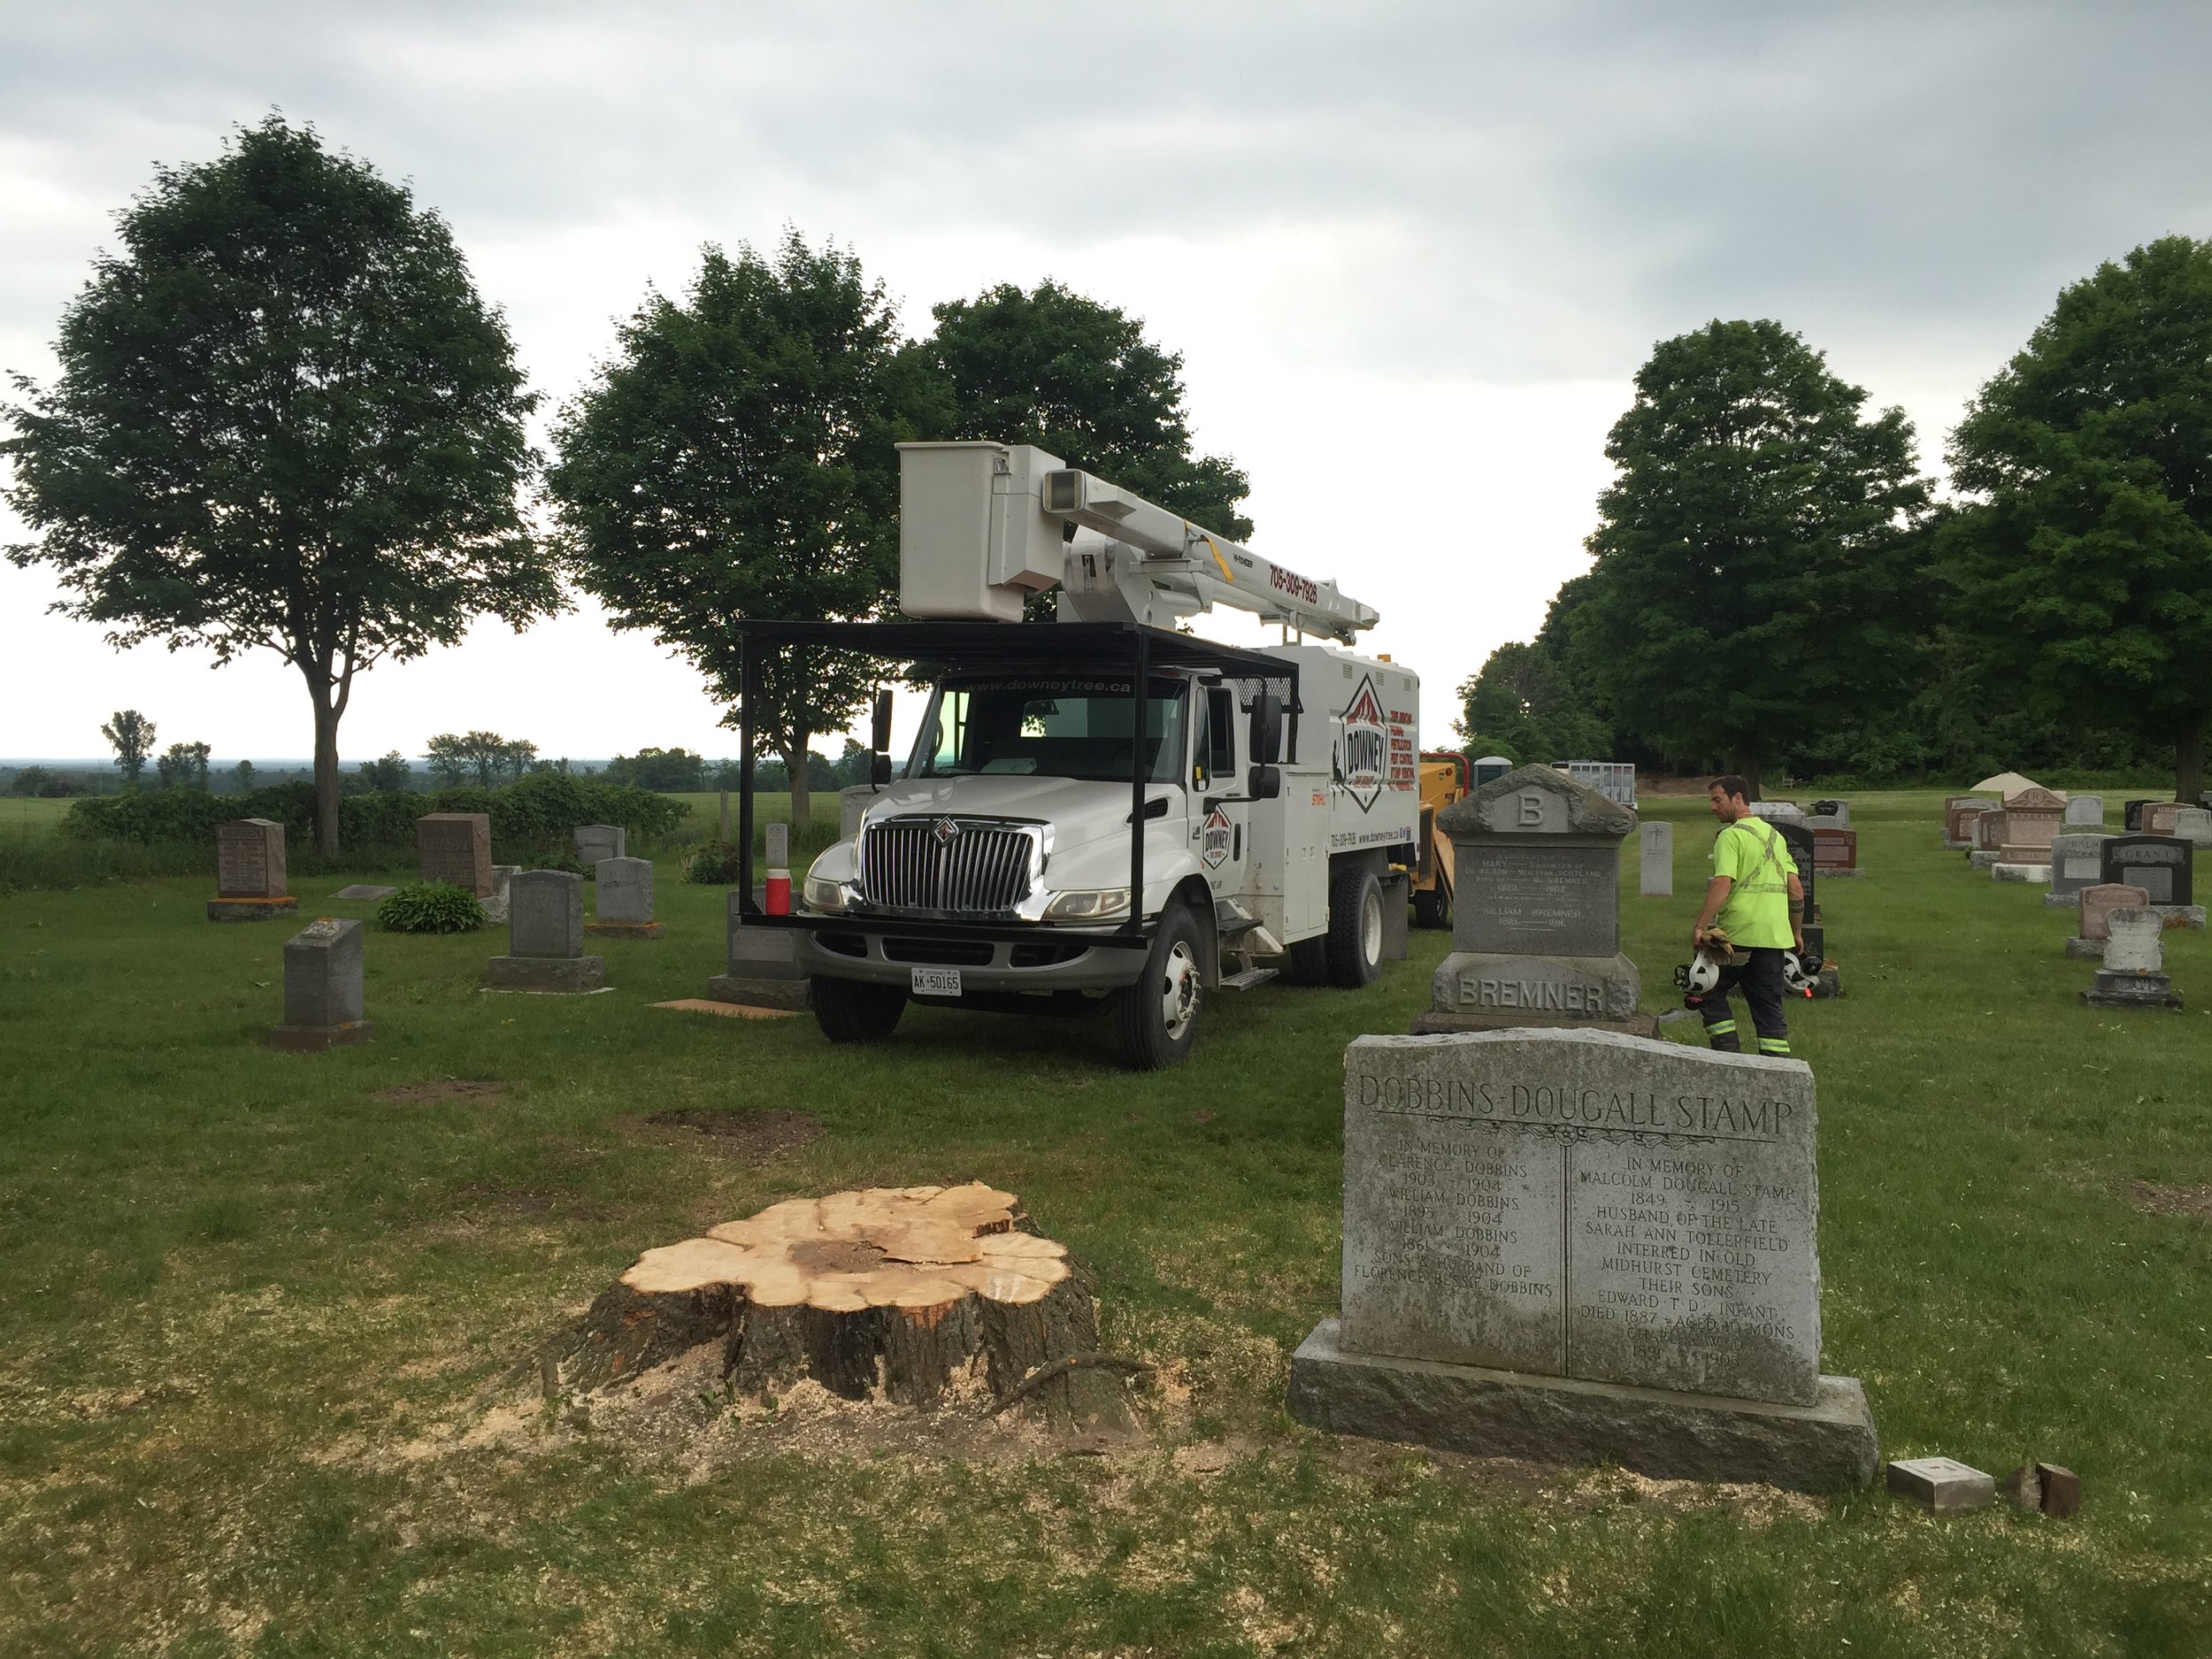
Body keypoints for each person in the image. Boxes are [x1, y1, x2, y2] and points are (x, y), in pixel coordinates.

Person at [1689, 775, 1806, 1056]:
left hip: (1737, 936)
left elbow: (1722, 883)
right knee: (1767, 1002)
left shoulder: (1731, 836)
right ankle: (1777, 1066)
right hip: (1774, 937)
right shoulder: (1776, 837)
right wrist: (1797, 933)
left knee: (1705, 988)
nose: (1712, 807)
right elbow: (1796, 888)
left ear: (1738, 798)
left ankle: (1727, 1053)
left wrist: (1700, 926)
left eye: (1717, 799)